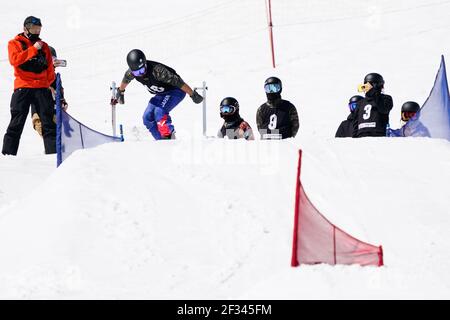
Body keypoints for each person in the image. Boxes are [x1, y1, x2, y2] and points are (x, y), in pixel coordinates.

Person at [113, 49, 203, 140]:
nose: (141, 74)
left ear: (145, 64)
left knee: (159, 112)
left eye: (142, 70)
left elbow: (179, 83)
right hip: (161, 94)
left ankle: (168, 137)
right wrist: (121, 91)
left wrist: (192, 95)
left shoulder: (158, 71)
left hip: (176, 91)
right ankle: (160, 141)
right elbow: (126, 79)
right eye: (137, 73)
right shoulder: (131, 72)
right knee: (147, 117)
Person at [2, 16, 56, 155]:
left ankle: (52, 155)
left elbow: (50, 69)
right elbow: (15, 60)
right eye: (33, 29)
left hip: (42, 88)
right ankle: (8, 156)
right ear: (25, 29)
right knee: (16, 123)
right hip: (23, 87)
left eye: (39, 29)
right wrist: (33, 49)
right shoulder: (14, 43)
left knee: (48, 123)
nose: (37, 32)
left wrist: (48, 84)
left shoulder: (44, 46)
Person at [31, 46, 68, 137]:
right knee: (47, 133)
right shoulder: (36, 75)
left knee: (57, 135)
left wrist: (63, 101)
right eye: (50, 59)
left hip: (55, 111)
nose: (53, 63)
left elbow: (60, 91)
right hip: (40, 112)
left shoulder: (56, 77)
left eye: (54, 60)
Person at [353, 73, 393, 137]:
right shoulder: (360, 103)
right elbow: (355, 124)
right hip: (361, 137)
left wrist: (374, 94)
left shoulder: (386, 99)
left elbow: (384, 109)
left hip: (378, 136)